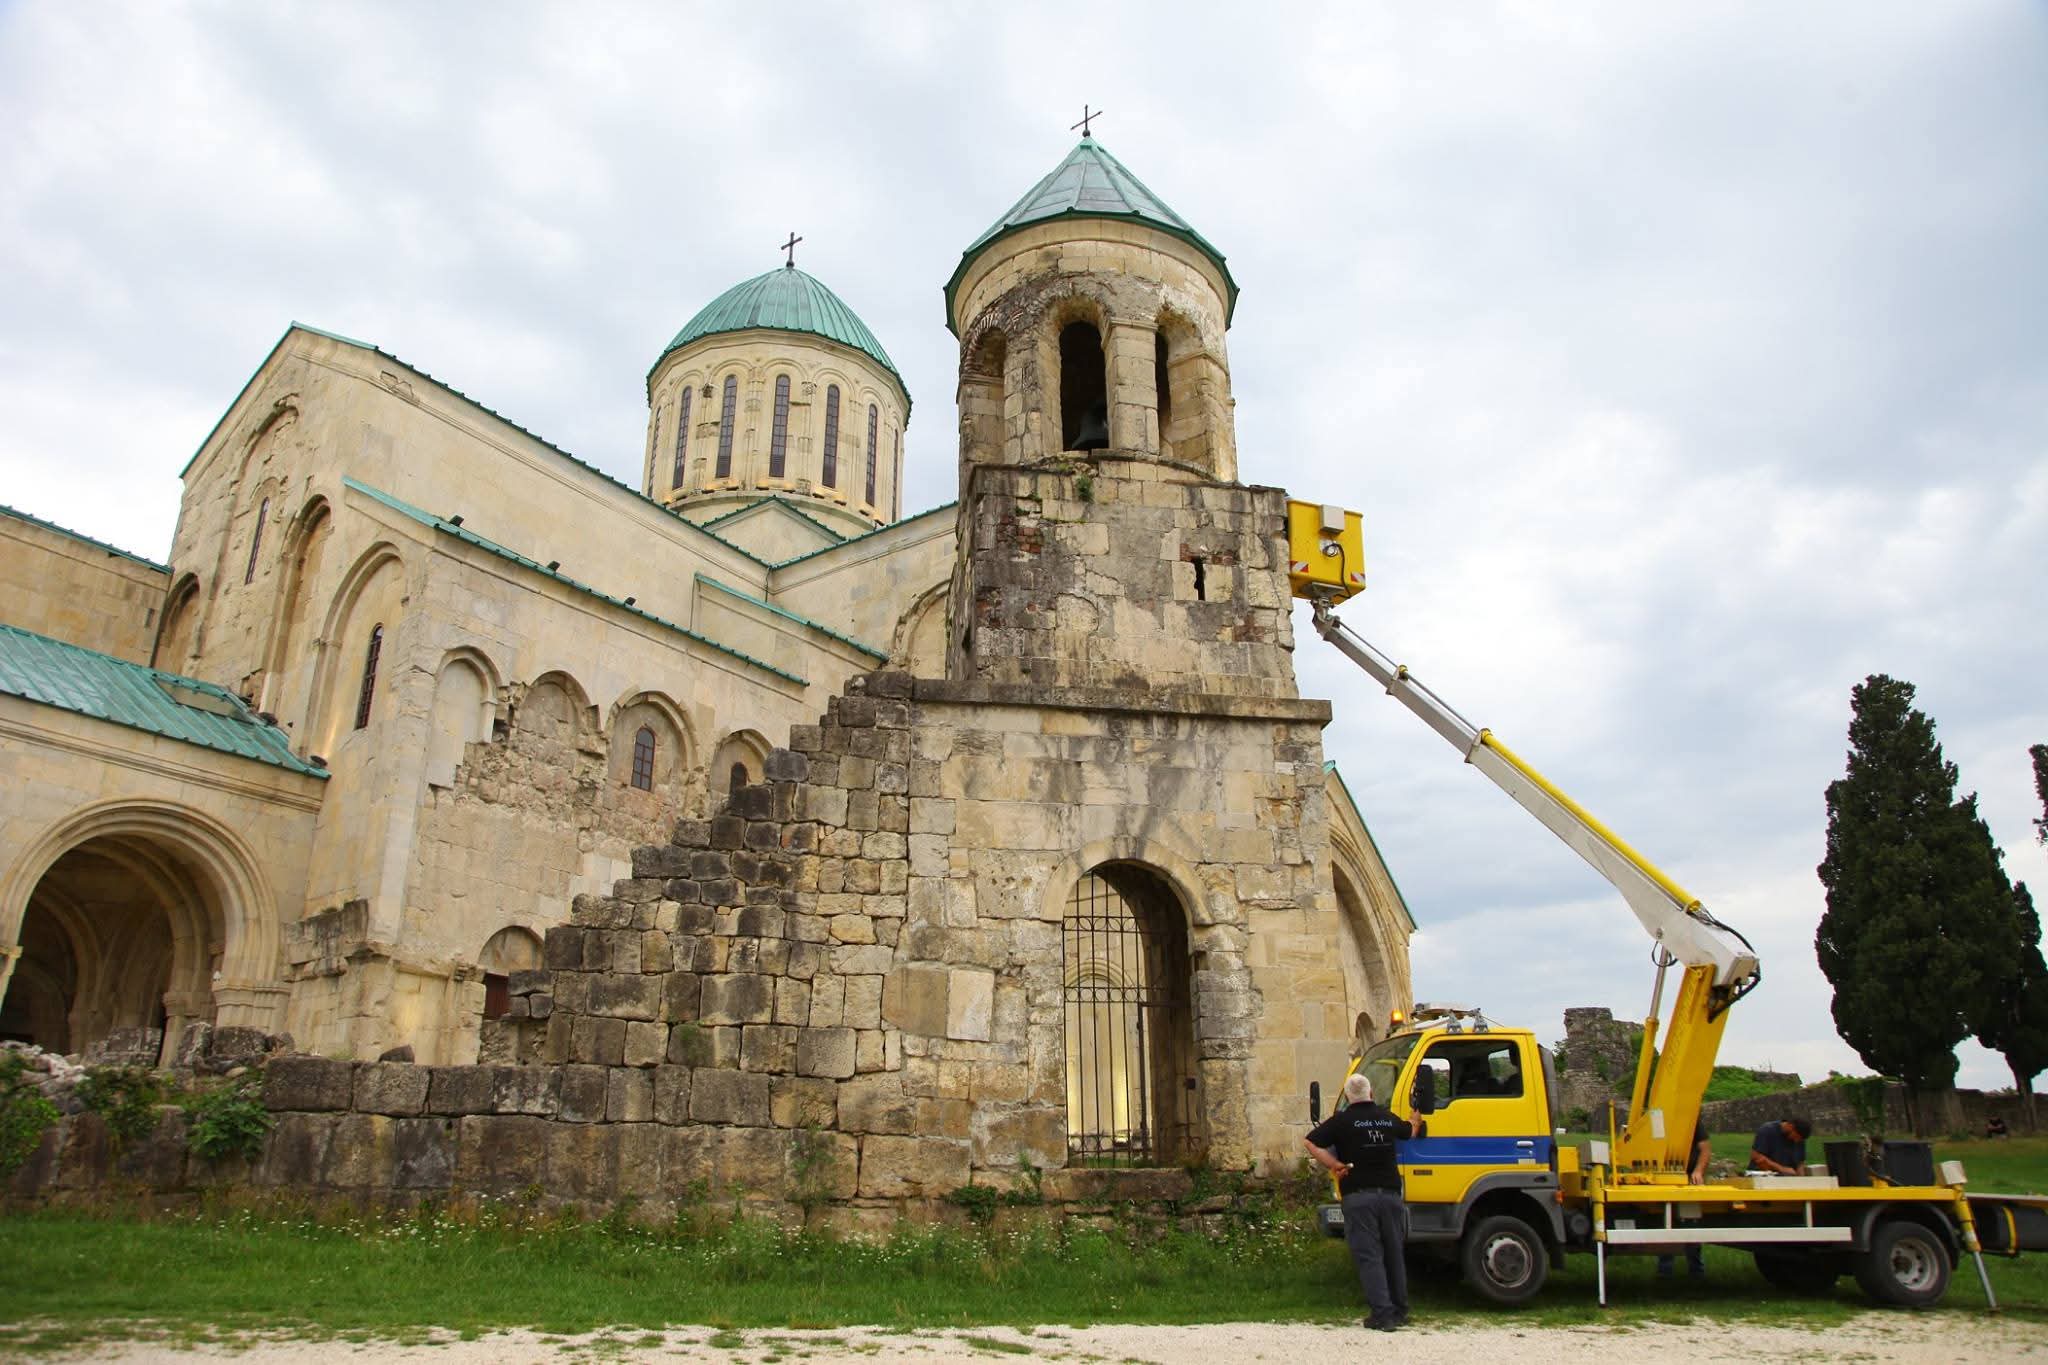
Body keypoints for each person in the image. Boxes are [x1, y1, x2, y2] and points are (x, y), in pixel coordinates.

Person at [1305, 1072, 1425, 1332]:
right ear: (1371, 1094)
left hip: (1359, 1195)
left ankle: (1382, 1315)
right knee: (1393, 1252)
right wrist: (1415, 1119)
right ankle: (1400, 1310)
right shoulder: (1386, 1117)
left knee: (1370, 1255)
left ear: (1348, 1097)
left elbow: (1310, 1141)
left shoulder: (1342, 1121)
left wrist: (1334, 1164)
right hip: (1391, 1195)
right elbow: (1410, 1131)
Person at [1656, 1118, 1711, 1278]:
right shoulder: (1657, 1121)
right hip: (1662, 1182)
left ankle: (1696, 1271)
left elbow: (1705, 1149)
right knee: (1666, 1225)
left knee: (1691, 1225)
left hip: (1688, 1183)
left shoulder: (1692, 1121)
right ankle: (1665, 1270)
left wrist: (1698, 1171)